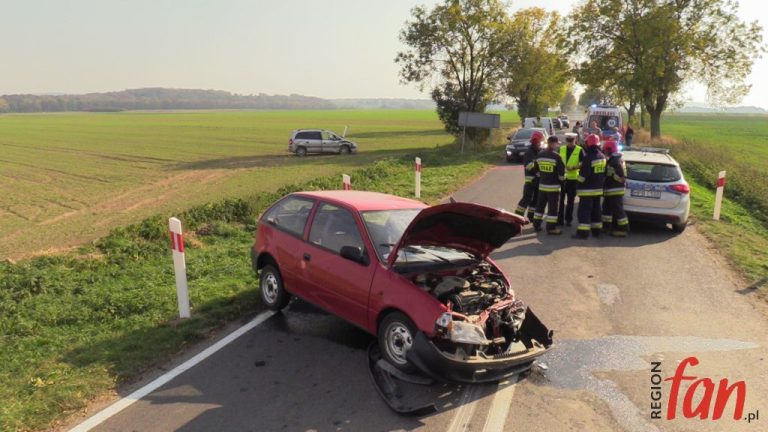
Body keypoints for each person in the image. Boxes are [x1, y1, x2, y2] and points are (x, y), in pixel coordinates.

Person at [572, 134, 606, 239]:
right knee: (596, 211)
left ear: (588, 144)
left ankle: (583, 233)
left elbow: (583, 176)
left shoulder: (588, 158)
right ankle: (596, 231)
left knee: (584, 212)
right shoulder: (602, 156)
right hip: (598, 190)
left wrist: (576, 184)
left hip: (587, 190)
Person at [532, 136, 566, 234]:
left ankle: (536, 224)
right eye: (556, 143)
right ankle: (551, 228)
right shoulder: (557, 156)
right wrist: (562, 182)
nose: (557, 145)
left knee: (540, 206)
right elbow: (561, 174)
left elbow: (536, 171)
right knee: (552, 209)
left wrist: (543, 178)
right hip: (553, 188)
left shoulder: (539, 155)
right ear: (552, 143)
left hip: (542, 186)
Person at [601, 138, 629, 236]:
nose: (604, 152)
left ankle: (623, 229)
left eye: (605, 150)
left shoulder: (616, 161)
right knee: (606, 209)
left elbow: (622, 178)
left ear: (609, 150)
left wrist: (613, 175)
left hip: (615, 190)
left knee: (618, 210)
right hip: (610, 190)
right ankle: (606, 227)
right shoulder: (614, 159)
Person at [514, 130, 544, 221]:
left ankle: (531, 217)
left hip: (538, 181)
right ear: (535, 142)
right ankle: (517, 218)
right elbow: (528, 166)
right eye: (539, 142)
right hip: (531, 181)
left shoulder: (539, 151)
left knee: (535, 200)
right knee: (526, 199)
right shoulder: (529, 152)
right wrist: (538, 170)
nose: (540, 144)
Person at [557, 133, 583, 226]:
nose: (570, 143)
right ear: (566, 140)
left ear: (575, 140)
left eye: (571, 141)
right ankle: (560, 220)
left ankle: (568, 220)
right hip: (562, 178)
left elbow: (583, 163)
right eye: (568, 141)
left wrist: (574, 167)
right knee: (561, 201)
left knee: (570, 201)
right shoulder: (562, 149)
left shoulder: (579, 150)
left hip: (573, 179)